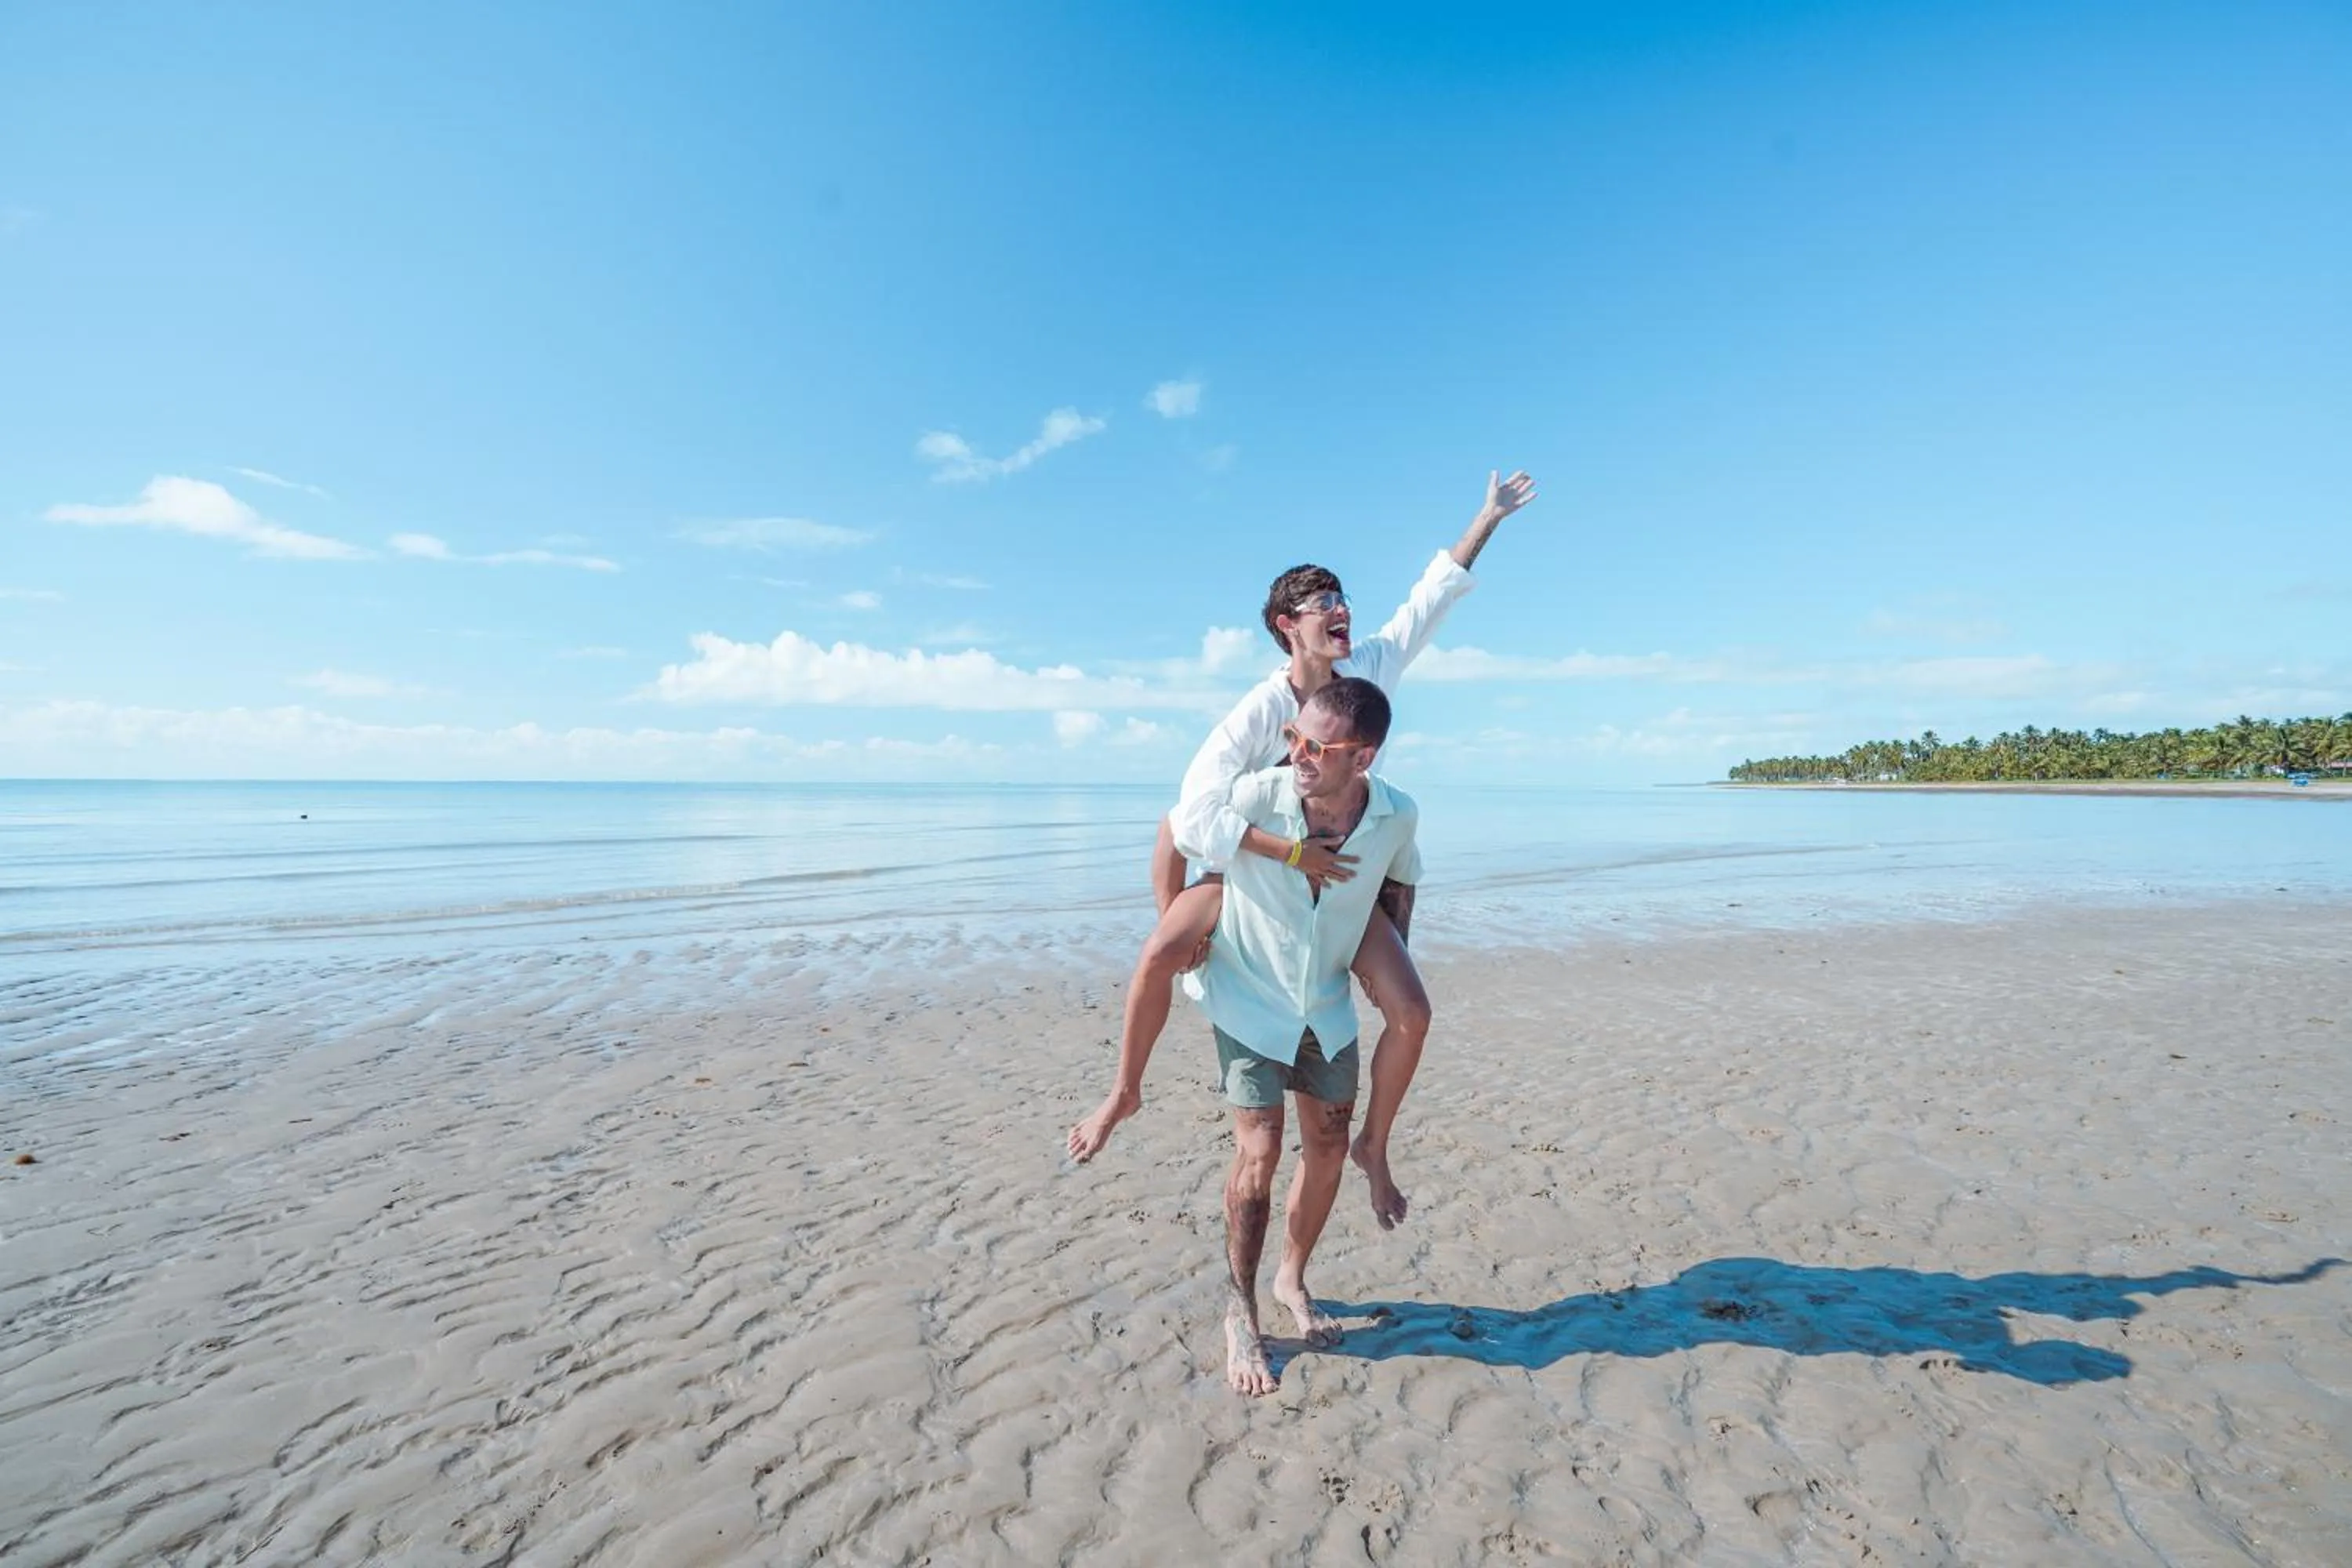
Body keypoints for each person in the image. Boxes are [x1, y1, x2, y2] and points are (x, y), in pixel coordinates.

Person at [1065, 470, 1537, 1231]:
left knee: (1411, 1007)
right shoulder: (1263, 709)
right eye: (1322, 603)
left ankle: (1374, 1147)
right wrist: (1263, 872)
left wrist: (1488, 516)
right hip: (1252, 872)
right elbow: (1187, 818)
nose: (1341, 608)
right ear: (1288, 625)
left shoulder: (1369, 671)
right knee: (1159, 950)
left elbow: (1433, 594)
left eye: (1341, 596)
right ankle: (1124, 1089)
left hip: (1337, 882)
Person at [1171, 677, 1421, 1394]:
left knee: (1328, 1147)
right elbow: (1180, 828)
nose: (1299, 755)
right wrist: (1181, 925)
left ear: (1363, 757)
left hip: (1325, 1003)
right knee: (1260, 1151)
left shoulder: (1396, 815)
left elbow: (1399, 885)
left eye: (1317, 747)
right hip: (1249, 999)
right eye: (1293, 738)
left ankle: (1292, 1277)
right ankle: (1239, 1311)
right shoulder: (1256, 797)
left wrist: (1390, 957)